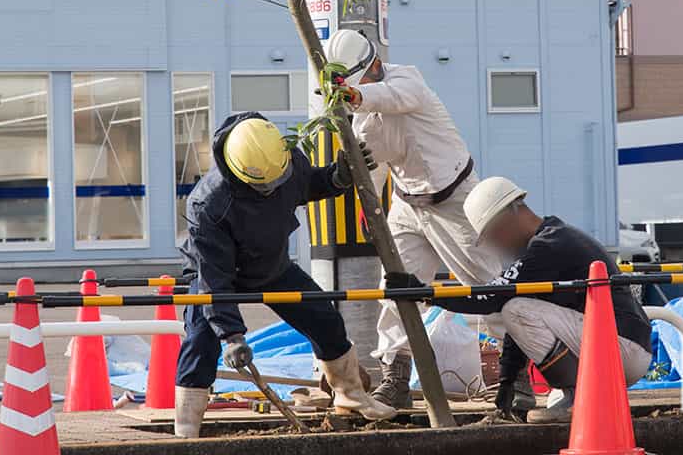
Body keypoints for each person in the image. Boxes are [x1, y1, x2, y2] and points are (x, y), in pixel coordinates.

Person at [324, 29, 530, 410]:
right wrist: (370, 213)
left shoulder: (407, 79)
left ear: (372, 68)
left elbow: (394, 97)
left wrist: (358, 96)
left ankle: (514, 377)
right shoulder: (363, 120)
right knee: (397, 292)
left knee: (488, 286)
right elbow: (374, 166)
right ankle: (396, 377)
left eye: (355, 88)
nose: (352, 99)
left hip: (456, 201)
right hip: (408, 205)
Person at [173, 112, 396, 437]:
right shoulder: (208, 204)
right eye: (263, 186)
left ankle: (351, 396)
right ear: (239, 173)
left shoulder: (282, 157)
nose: (271, 190)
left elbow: (306, 185)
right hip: (219, 275)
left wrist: (336, 178)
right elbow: (214, 276)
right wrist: (232, 337)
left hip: (271, 266)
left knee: (325, 319)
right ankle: (186, 425)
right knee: (200, 341)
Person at [387, 176, 652, 423]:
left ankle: (578, 398)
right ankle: (578, 394)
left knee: (516, 309)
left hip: (619, 348)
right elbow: (509, 310)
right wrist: (507, 380)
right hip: (622, 348)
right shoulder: (551, 239)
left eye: (492, 236)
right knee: (517, 308)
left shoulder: (547, 246)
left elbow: (491, 299)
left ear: (508, 216)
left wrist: (425, 292)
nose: (496, 245)